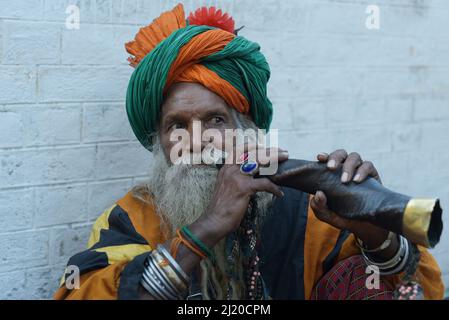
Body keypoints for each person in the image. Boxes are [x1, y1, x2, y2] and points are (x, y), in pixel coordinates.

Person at [54, 3, 443, 300]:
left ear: (246, 131)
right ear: (158, 142)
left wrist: (377, 236)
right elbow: (82, 291)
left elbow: (421, 290)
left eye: (216, 120)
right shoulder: (132, 218)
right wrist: (206, 228)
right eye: (177, 125)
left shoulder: (310, 211)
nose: (198, 139)